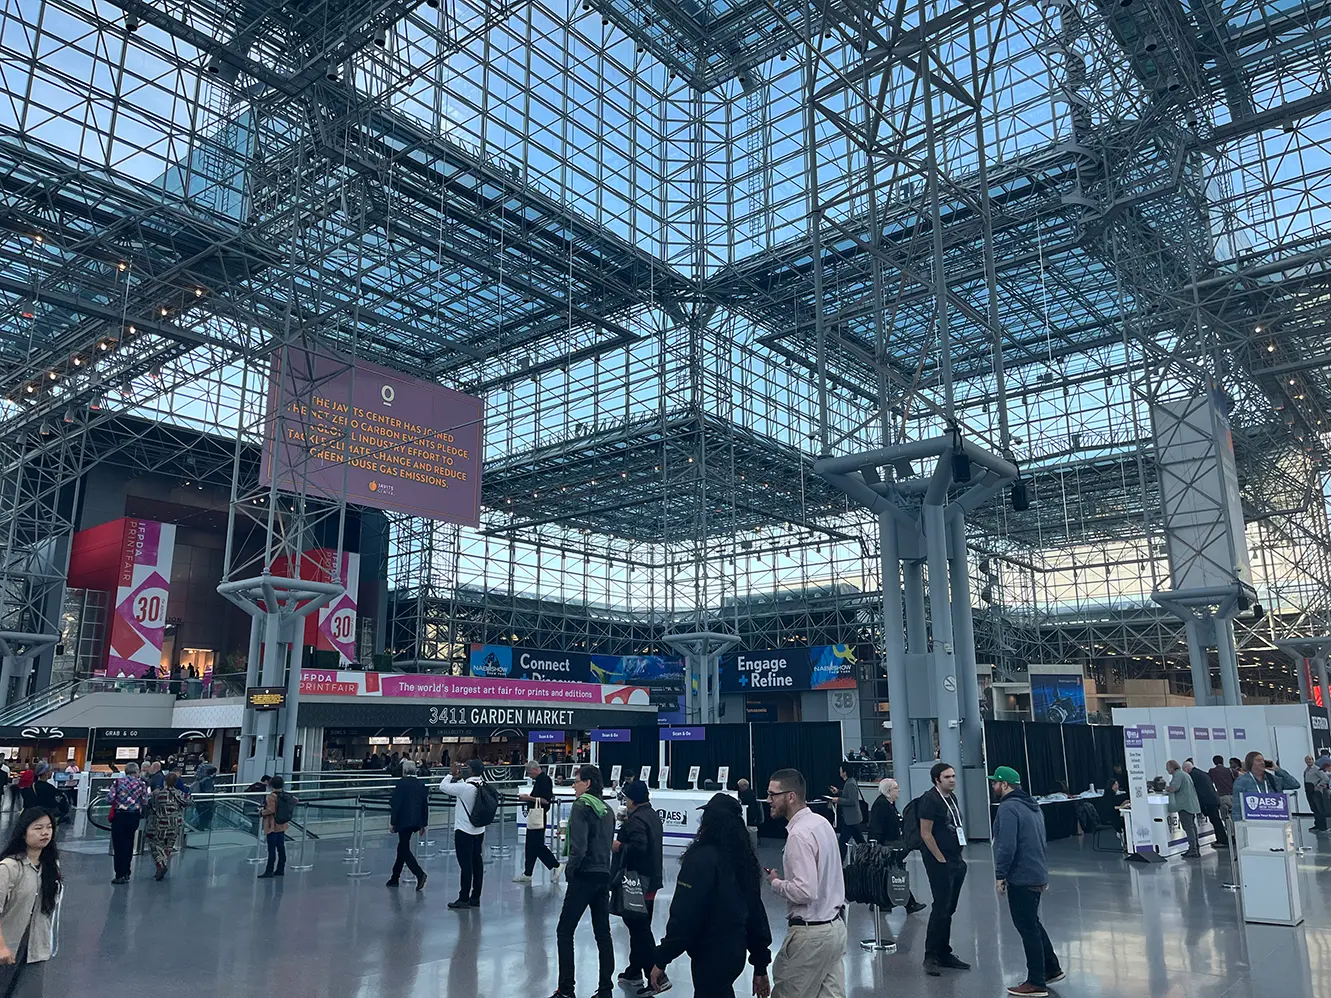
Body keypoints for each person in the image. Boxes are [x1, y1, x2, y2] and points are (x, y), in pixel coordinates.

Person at [650, 794, 772, 998]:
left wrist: (662, 958)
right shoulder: (744, 861)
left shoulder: (700, 859)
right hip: (735, 954)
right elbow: (755, 913)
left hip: (709, 955)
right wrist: (760, 965)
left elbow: (684, 915)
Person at [764, 768, 846, 998]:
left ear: (790, 796)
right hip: (835, 928)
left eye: (773, 794)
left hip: (811, 937)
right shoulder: (821, 823)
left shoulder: (798, 835)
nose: (768, 800)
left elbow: (804, 891)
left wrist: (776, 882)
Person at [989, 767, 1063, 997]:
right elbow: (1041, 839)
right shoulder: (1032, 805)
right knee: (1033, 922)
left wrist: (1000, 874)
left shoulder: (1008, 807)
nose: (993, 787)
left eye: (995, 783)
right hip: (1036, 871)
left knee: (1027, 927)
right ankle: (1051, 967)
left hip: (1021, 875)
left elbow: (1006, 845)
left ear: (1005, 785)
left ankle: (1036, 982)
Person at [549, 764, 615, 998]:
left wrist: (571, 870)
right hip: (602, 874)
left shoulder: (581, 806)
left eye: (576, 781)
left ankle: (566, 989)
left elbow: (579, 845)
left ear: (587, 783)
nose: (574, 786)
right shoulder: (607, 810)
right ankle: (606, 988)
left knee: (565, 931)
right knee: (603, 933)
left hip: (584, 874)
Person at [0, 809, 62, 997]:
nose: (45, 833)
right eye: (38, 828)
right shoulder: (9, 867)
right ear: (23, 832)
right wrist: (1, 946)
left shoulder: (51, 866)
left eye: (49, 827)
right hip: (8, 947)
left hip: (35, 947)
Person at [917, 761, 970, 976]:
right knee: (941, 906)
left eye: (953, 776)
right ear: (937, 779)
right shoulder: (929, 800)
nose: (952, 780)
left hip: (956, 859)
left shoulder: (952, 798)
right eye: (947, 777)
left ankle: (944, 952)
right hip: (940, 861)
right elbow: (925, 833)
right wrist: (940, 859)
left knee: (950, 907)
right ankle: (931, 955)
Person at [614, 779, 664, 994]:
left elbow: (639, 847)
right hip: (651, 879)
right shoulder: (651, 815)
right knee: (639, 926)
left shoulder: (635, 821)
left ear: (632, 800)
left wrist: (619, 845)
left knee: (639, 928)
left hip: (636, 882)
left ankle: (657, 977)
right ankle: (634, 970)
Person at [866, 779, 925, 914]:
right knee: (895, 873)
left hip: (890, 844)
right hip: (887, 846)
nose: (898, 791)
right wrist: (876, 846)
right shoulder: (881, 805)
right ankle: (910, 904)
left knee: (889, 874)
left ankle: (880, 902)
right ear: (889, 791)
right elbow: (876, 827)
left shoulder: (888, 804)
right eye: (896, 788)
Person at [440, 759, 488, 909]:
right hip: (479, 830)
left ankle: (463, 898)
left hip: (464, 831)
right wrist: (459, 778)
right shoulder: (483, 785)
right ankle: (475, 897)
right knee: (477, 863)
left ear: (472, 770)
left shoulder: (465, 788)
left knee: (465, 865)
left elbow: (443, 787)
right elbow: (462, 788)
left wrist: (450, 774)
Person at [386, 759, 430, 890]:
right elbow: (424, 805)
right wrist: (424, 823)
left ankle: (419, 873)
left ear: (404, 771)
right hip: (416, 820)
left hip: (403, 820)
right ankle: (395, 877)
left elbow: (396, 805)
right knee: (402, 847)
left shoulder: (401, 784)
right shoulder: (420, 785)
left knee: (404, 849)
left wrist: (393, 822)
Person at [515, 761, 561, 884]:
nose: (529, 776)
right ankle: (527, 873)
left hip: (539, 816)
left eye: (529, 773)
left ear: (535, 770)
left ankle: (556, 865)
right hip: (535, 816)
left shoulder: (544, 780)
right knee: (530, 845)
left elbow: (545, 800)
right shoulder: (541, 780)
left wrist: (527, 798)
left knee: (537, 845)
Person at [108, 762, 148, 884]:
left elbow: (109, 798)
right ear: (136, 772)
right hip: (133, 816)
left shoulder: (118, 782)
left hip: (119, 816)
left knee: (119, 845)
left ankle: (119, 874)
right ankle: (126, 871)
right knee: (129, 843)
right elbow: (145, 801)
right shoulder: (141, 784)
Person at [146, 771, 188, 881]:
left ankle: (160, 864)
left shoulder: (158, 794)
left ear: (164, 781)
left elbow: (149, 804)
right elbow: (189, 801)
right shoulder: (179, 794)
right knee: (168, 846)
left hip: (160, 824)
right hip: (174, 824)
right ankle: (161, 865)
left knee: (155, 845)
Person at [1183, 760, 1228, 848]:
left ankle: (1223, 840)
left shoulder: (1193, 775)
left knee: (1215, 821)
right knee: (1216, 820)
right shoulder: (1201, 773)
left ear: (1187, 769)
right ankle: (1221, 839)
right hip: (1213, 799)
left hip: (1208, 801)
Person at [1164, 760, 1201, 857]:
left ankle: (1193, 850)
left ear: (1172, 767)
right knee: (1192, 827)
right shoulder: (1185, 774)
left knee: (1188, 828)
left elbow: (1174, 788)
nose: (1166, 769)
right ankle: (1195, 848)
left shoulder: (1178, 775)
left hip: (1184, 806)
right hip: (1191, 804)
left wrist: (1166, 788)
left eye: (1167, 767)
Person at [257, 775, 291, 879]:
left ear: (271, 785)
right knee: (281, 847)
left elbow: (271, 810)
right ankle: (280, 868)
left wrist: (262, 812)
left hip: (272, 825)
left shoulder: (272, 796)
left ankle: (269, 870)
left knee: (271, 849)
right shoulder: (286, 795)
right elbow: (295, 800)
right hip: (282, 824)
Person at [828, 764, 864, 860]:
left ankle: (839, 862)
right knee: (858, 840)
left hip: (851, 819)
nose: (839, 772)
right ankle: (868, 855)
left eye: (840, 770)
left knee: (843, 841)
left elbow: (852, 800)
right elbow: (847, 794)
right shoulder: (849, 782)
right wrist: (838, 792)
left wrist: (838, 800)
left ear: (844, 772)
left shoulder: (850, 783)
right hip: (851, 819)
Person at [1303, 755, 1329, 833]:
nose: (1308, 761)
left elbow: (1326, 779)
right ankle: (1317, 825)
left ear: (1313, 760)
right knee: (1314, 809)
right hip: (1309, 792)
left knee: (1320, 809)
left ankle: (1323, 827)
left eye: (1310, 759)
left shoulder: (1317, 769)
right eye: (1307, 760)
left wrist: (1318, 786)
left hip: (1316, 792)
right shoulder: (1306, 770)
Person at [737, 778, 762, 851]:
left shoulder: (747, 795)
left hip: (750, 818)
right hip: (753, 817)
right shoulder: (751, 793)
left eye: (740, 787)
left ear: (743, 786)